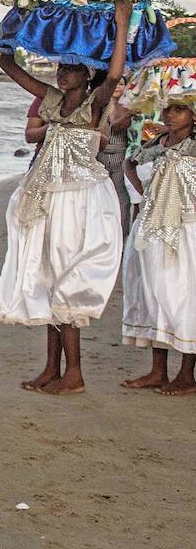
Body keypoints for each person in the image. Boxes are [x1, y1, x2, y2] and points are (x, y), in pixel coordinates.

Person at [0, 3, 130, 395]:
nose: (61, 72)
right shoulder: (51, 99)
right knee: (47, 275)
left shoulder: (94, 103)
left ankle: (76, 374)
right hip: (48, 195)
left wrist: (120, 23)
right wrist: (6, 26)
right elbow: (9, 66)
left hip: (81, 199)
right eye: (60, 67)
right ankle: (52, 367)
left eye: (70, 68)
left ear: (86, 75)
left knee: (69, 279)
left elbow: (115, 73)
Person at [120, 97, 196, 395]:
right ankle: (158, 371)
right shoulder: (160, 141)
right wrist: (144, 196)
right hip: (153, 227)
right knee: (154, 293)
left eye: (180, 109)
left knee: (185, 297)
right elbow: (130, 161)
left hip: (187, 228)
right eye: (168, 109)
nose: (171, 115)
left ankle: (187, 374)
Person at [98, 90, 136, 237]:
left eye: (122, 83)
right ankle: (103, 234)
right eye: (116, 83)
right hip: (101, 156)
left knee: (121, 198)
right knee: (102, 197)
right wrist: (126, 116)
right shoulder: (102, 105)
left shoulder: (129, 105)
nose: (118, 86)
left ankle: (121, 235)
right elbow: (111, 128)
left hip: (120, 155)